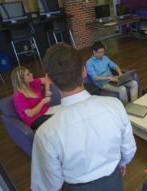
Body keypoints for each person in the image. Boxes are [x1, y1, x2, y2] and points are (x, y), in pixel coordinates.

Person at [31, 43, 137, 191]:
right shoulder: (115, 105)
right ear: (84, 71)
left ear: (50, 80)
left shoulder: (45, 133)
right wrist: (122, 162)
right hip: (114, 181)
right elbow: (129, 149)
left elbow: (47, 185)